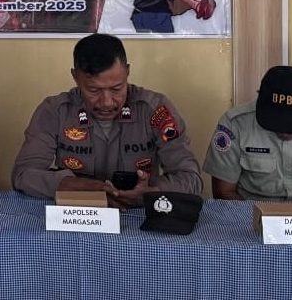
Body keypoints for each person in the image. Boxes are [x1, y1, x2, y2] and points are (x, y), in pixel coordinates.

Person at [11, 33, 202, 207]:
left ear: (127, 72)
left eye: (117, 89)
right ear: (75, 77)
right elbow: (22, 175)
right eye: (94, 90)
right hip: (78, 215)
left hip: (139, 215)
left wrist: (152, 192)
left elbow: (191, 179)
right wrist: (83, 187)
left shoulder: (155, 110)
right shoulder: (54, 112)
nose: (107, 102)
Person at [203, 65, 292, 200]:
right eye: (276, 121)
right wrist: (255, 213)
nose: (285, 131)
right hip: (253, 210)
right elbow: (223, 192)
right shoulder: (235, 124)